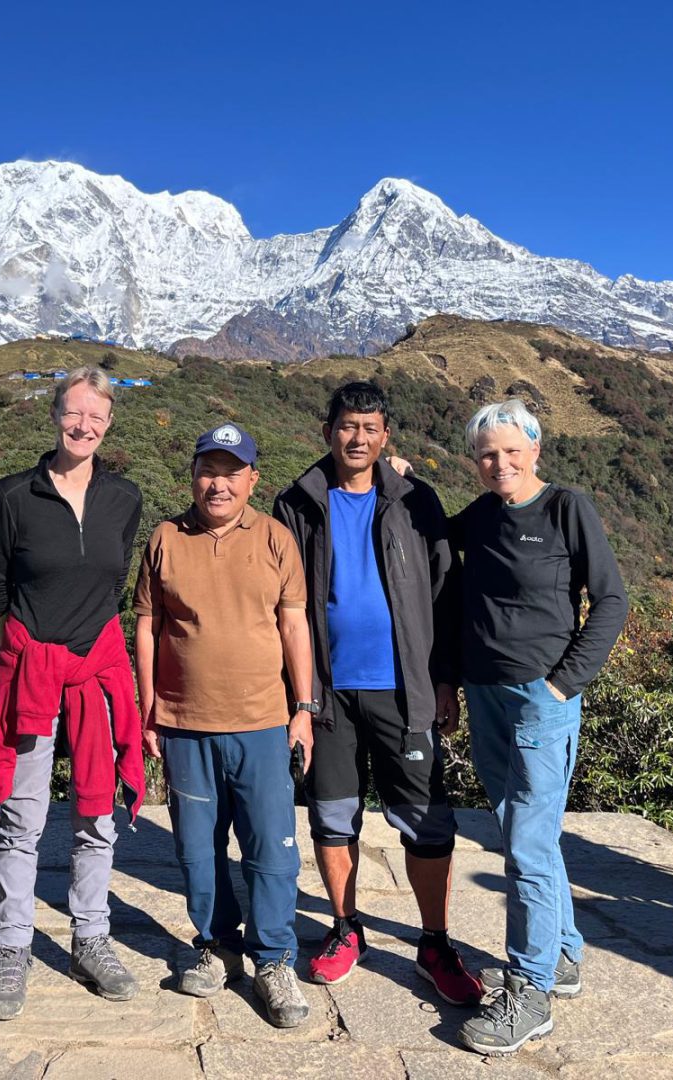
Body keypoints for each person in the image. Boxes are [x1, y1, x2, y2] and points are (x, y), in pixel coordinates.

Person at [272, 381, 483, 1005]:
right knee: (333, 815)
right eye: (347, 426)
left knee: (427, 820)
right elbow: (279, 601)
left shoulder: (416, 499)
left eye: (369, 428)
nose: (357, 438)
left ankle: (435, 942)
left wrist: (445, 679)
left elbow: (446, 592)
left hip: (404, 689)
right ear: (328, 431)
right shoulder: (297, 502)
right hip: (327, 692)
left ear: (386, 436)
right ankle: (346, 929)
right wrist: (297, 699)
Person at [0, 367, 146, 1021]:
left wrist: (79, 638)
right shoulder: (13, 495)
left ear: (109, 424)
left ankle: (90, 937)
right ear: (54, 415)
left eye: (96, 416)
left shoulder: (125, 498)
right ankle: (12, 946)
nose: (83, 426)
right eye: (74, 413)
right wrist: (27, 649)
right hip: (32, 671)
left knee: (97, 814)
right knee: (23, 817)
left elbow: (114, 583)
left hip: (96, 670)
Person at [448, 399, 628, 1056]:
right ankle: (564, 953)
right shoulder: (482, 515)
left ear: (535, 450)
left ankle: (530, 990)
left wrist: (562, 684)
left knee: (525, 843)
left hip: (540, 699)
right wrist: (396, 478)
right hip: (486, 694)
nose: (499, 463)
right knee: (523, 831)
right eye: (486, 455)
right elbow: (429, 532)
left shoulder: (566, 508)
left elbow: (611, 601)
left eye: (510, 451)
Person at [134, 422, 316, 1029]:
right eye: (208, 471)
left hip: (262, 721)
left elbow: (294, 626)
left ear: (252, 480)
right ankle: (217, 946)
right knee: (196, 850)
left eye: (231, 473)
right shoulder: (165, 538)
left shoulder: (275, 539)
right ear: (192, 476)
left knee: (271, 849)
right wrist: (149, 710)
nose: (218, 484)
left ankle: (275, 959)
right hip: (185, 723)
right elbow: (147, 627)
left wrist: (304, 708)